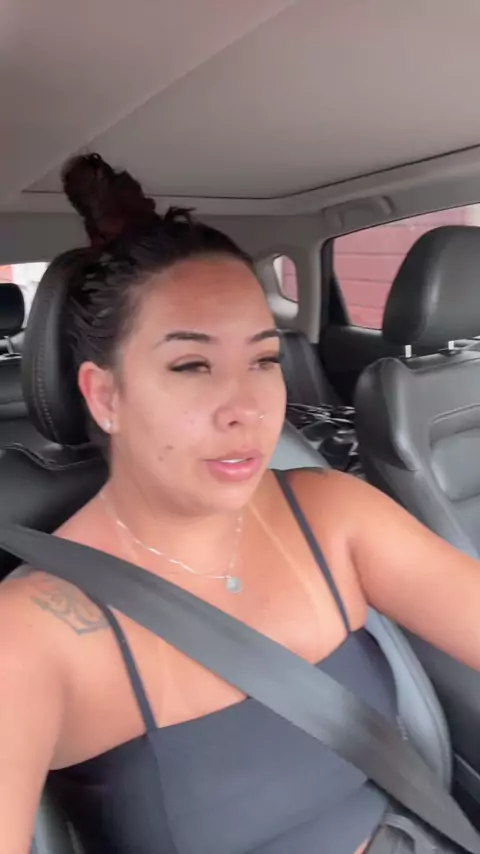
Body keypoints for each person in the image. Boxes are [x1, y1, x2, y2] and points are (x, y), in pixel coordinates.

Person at [1, 154, 480, 854]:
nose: (247, 409)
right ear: (105, 395)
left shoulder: (334, 515)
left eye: (262, 360)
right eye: (191, 366)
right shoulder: (33, 632)